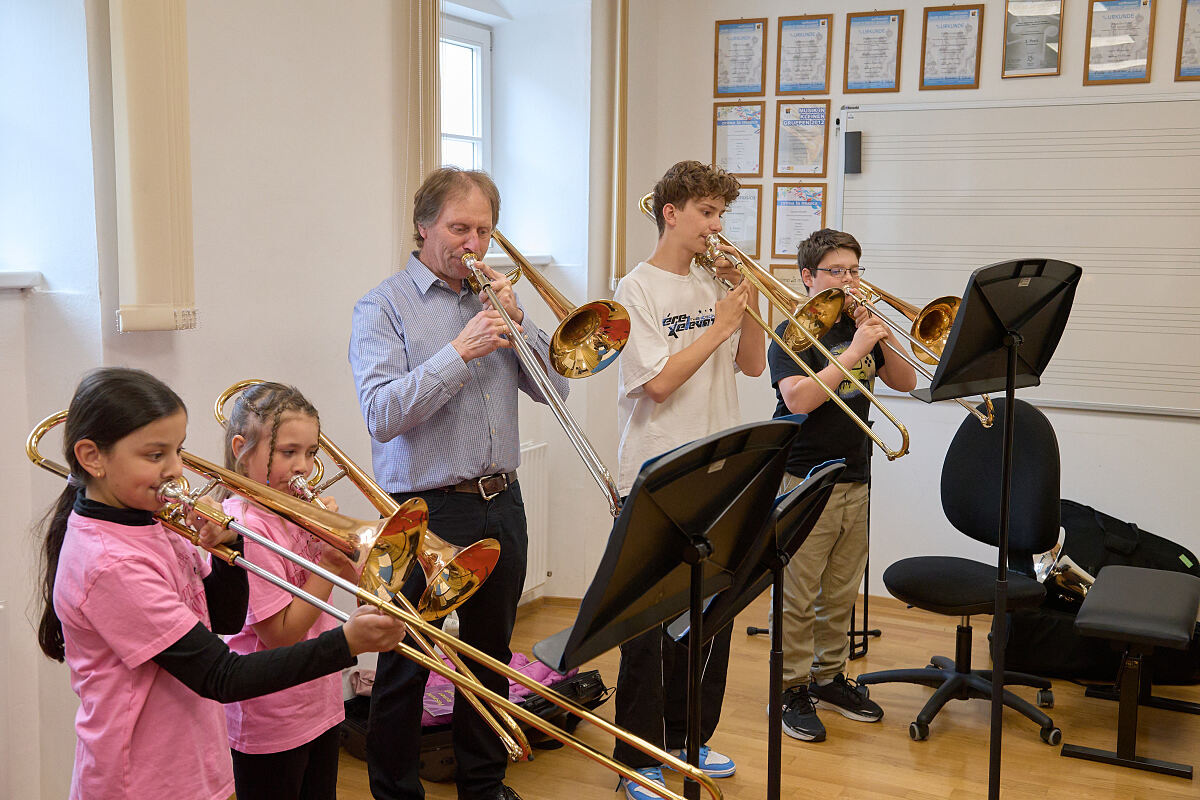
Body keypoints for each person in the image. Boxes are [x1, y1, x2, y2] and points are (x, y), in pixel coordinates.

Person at [33, 367, 407, 800]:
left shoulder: (155, 521)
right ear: (92, 458)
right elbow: (222, 675)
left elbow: (225, 619)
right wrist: (347, 642)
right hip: (140, 779)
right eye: (156, 456)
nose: (177, 470)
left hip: (191, 762)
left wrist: (231, 547)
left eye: (179, 450)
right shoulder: (108, 562)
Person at [349, 166, 569, 800]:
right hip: (422, 509)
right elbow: (382, 415)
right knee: (404, 663)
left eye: (483, 230)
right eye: (458, 228)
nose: (472, 243)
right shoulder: (382, 306)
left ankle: (484, 783)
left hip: (502, 501)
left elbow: (553, 392)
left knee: (488, 657)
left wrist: (521, 324)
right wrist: (460, 351)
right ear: (423, 227)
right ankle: (396, 793)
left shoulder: (494, 299)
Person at [610, 160, 765, 800]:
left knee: (711, 617)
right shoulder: (633, 290)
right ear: (671, 213)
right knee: (647, 624)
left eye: (721, 213)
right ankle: (638, 756)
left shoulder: (713, 284)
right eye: (706, 212)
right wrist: (721, 323)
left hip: (719, 468)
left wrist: (747, 305)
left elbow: (753, 366)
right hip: (657, 468)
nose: (716, 225)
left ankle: (689, 738)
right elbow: (658, 381)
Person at [767, 229, 917, 743]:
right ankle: (789, 690)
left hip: (856, 476)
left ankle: (828, 677)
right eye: (835, 271)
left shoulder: (861, 327)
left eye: (853, 269)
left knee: (841, 591)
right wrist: (854, 348)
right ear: (807, 278)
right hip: (804, 478)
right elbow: (799, 401)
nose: (848, 279)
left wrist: (881, 336)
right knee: (798, 594)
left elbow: (905, 382)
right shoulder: (791, 332)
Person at [219, 382, 360, 800]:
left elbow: (348, 579)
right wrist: (328, 562)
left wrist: (342, 549)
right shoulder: (244, 526)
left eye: (311, 452)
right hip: (270, 715)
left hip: (319, 699)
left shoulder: (293, 510)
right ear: (242, 450)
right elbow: (278, 634)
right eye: (287, 452)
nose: (303, 466)